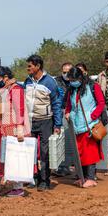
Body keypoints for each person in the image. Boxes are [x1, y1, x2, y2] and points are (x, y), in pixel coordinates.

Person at [0, 66, 31, 198]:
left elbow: (19, 108)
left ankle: (18, 187)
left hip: (11, 130)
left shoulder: (15, 89)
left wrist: (20, 127)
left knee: (13, 157)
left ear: (5, 78)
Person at [24, 55, 62, 191]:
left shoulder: (50, 82)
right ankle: (34, 177)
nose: (27, 68)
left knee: (45, 152)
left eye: (30, 66)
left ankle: (45, 180)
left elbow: (57, 103)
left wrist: (57, 125)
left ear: (38, 66)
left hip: (46, 121)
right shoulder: (27, 81)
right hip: (30, 121)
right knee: (30, 151)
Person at [65, 65, 105, 188]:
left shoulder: (93, 86)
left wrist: (93, 116)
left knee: (90, 152)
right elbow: (68, 105)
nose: (72, 82)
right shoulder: (72, 89)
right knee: (79, 153)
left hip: (89, 125)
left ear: (80, 78)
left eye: (74, 80)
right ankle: (82, 177)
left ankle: (91, 177)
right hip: (76, 126)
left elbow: (101, 103)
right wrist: (67, 113)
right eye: (70, 80)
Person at [55, 62, 74, 177]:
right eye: (64, 72)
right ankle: (62, 166)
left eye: (68, 72)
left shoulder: (75, 81)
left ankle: (75, 165)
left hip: (74, 113)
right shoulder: (56, 81)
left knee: (73, 140)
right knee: (62, 140)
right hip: (61, 113)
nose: (66, 74)